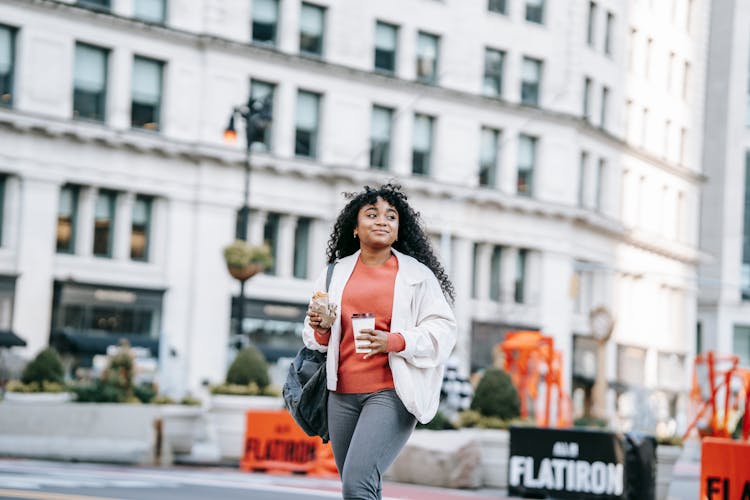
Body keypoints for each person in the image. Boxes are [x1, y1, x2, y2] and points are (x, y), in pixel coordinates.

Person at [303, 183, 457, 499]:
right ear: (355, 228)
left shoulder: (417, 276)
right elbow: (315, 339)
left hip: (391, 393)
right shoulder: (334, 274)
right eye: (371, 215)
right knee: (358, 487)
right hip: (340, 395)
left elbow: (444, 330)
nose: (382, 221)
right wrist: (321, 328)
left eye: (390, 216)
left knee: (357, 485)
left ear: (399, 230)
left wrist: (396, 341)